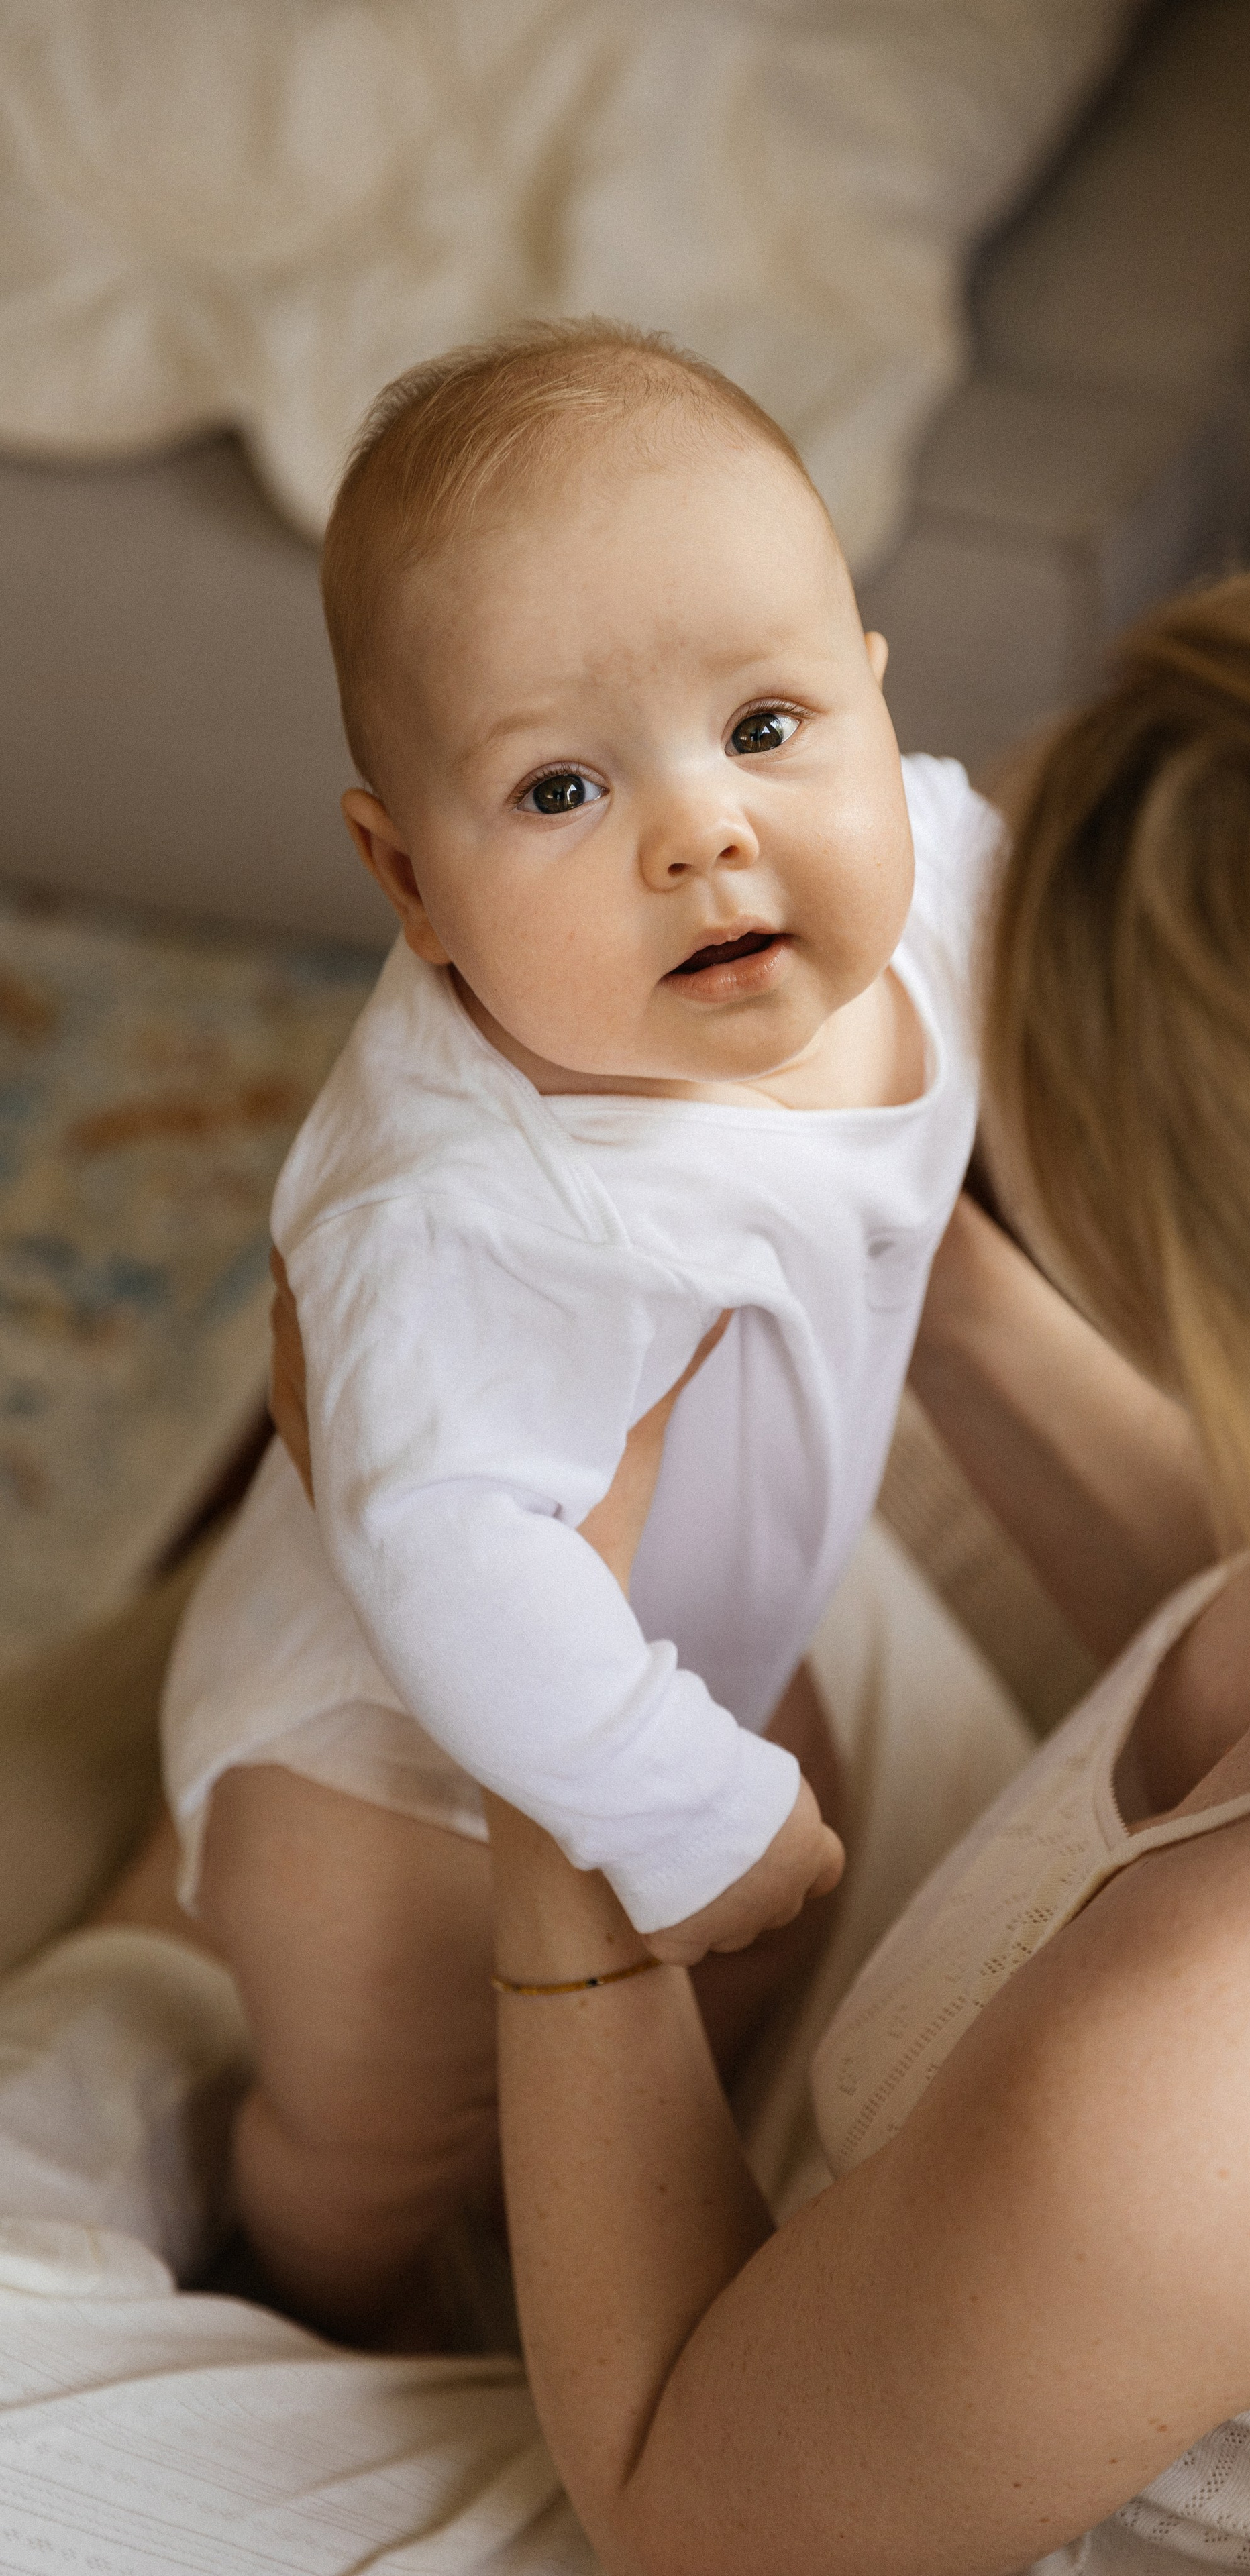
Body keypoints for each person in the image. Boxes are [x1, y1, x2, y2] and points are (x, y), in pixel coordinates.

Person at [5, 530, 1250, 2576]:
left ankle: (128, 2035)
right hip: (979, 2188)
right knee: (523, 1496)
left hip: (732, 2492)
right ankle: (179, 2002)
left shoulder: (1229, 2069)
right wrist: (877, 1228)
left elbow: (683, 2510)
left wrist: (554, 1715)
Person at [157, 319, 998, 2341]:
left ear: (880, 709)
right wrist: (669, 1804)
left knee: (769, 1928)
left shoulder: (928, 872)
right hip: (380, 1776)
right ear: (409, 881)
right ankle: (324, 2301)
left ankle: (593, 2196)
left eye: (771, 726)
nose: (701, 833)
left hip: (701, 1615)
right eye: (557, 787)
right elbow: (449, 1554)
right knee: (389, 2117)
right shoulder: (471, 1204)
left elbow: (1026, 869)